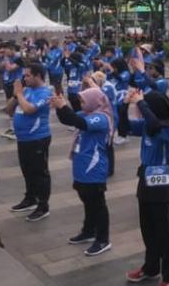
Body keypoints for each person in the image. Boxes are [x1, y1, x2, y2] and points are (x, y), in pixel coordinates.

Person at [121, 89, 169, 285]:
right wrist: (125, 105)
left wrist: (141, 103)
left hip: (161, 182)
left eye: (145, 107)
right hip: (145, 178)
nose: (141, 110)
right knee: (147, 227)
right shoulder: (148, 125)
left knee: (164, 230)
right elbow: (123, 127)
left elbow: (155, 124)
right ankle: (151, 267)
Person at [52, 87, 112, 256]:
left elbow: (80, 123)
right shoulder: (87, 113)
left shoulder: (101, 118)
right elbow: (68, 119)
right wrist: (59, 107)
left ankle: (103, 239)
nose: (81, 103)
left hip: (94, 167)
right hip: (81, 165)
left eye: (84, 100)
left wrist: (64, 106)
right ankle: (89, 230)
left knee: (97, 203)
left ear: (95, 101)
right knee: (86, 198)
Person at [7, 63, 53, 222]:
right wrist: (15, 95)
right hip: (23, 138)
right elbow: (8, 110)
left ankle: (43, 205)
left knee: (40, 172)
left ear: (38, 76)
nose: (24, 78)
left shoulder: (45, 92)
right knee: (26, 170)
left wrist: (19, 94)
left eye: (27, 75)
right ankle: (30, 198)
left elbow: (29, 109)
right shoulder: (26, 91)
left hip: (38, 138)